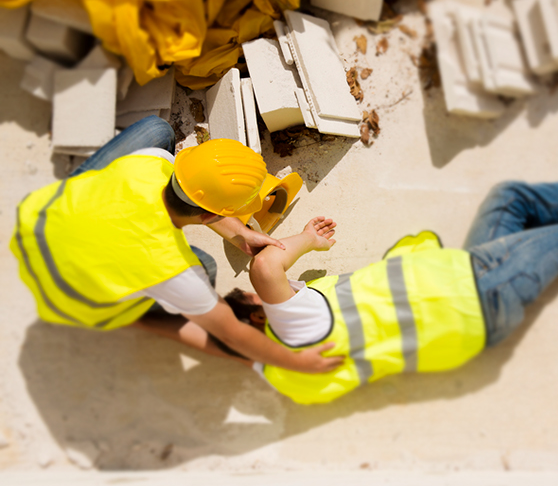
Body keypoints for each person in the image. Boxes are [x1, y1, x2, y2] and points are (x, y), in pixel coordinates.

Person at [10, 115, 342, 375]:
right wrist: (297, 363)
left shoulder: (151, 162)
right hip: (66, 293)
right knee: (207, 270)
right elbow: (231, 335)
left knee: (157, 130)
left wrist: (240, 234)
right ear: (212, 215)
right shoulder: (176, 270)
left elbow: (193, 198)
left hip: (38, 222)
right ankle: (132, 316)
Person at [215, 180, 558, 403]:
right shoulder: (297, 330)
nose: (270, 296)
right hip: (474, 290)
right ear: (259, 318)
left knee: (509, 201)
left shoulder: (283, 378)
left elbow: (237, 351)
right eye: (259, 301)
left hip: (465, 325)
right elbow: (265, 267)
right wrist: (307, 239)